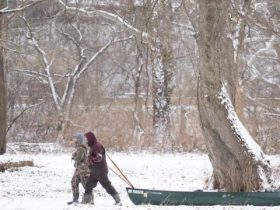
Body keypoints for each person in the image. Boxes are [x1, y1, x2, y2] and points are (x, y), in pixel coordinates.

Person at [82, 131, 121, 205]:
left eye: (87, 139)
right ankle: (87, 202)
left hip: (100, 171)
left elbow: (99, 157)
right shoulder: (92, 146)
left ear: (91, 138)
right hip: (94, 171)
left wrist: (91, 159)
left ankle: (118, 200)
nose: (86, 141)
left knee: (107, 185)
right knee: (88, 185)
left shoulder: (97, 146)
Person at [67, 133, 90, 205]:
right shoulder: (78, 148)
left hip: (83, 169)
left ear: (78, 140)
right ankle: (75, 199)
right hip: (79, 169)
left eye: (75, 139)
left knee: (85, 184)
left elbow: (78, 159)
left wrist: (74, 157)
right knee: (74, 182)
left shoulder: (81, 148)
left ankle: (89, 200)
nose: (74, 140)